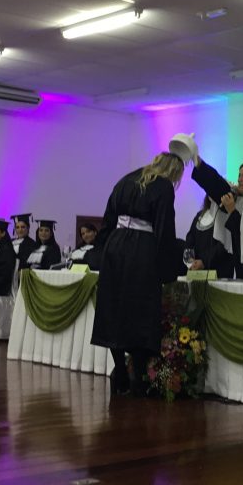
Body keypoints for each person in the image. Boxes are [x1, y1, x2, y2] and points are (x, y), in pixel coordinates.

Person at [91, 152, 184, 395]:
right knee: (140, 311)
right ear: (173, 171)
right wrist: (168, 269)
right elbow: (164, 228)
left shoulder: (126, 179)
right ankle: (138, 376)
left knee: (114, 309)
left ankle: (120, 370)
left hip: (116, 246)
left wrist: (101, 252)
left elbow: (108, 218)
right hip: (141, 251)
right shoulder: (163, 187)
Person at [185, 195, 234, 278]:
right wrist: (190, 260)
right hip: (197, 272)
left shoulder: (226, 216)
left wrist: (204, 261)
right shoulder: (199, 216)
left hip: (220, 272)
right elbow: (190, 240)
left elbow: (225, 244)